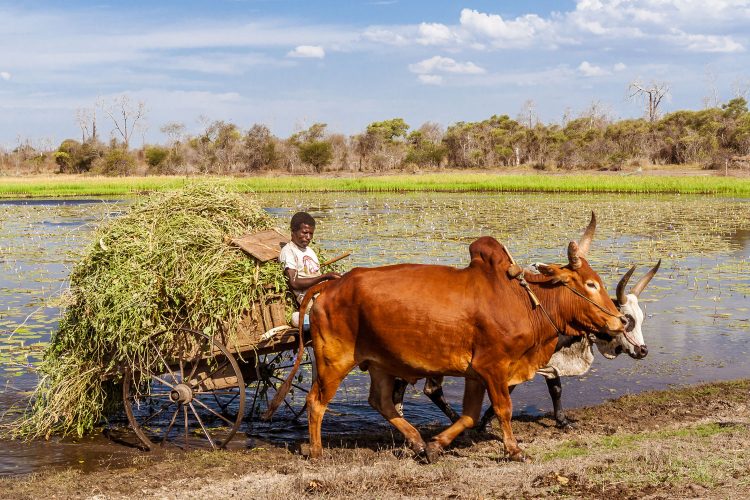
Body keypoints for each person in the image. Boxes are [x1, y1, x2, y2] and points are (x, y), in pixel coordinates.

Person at [279, 211, 340, 329]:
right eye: (305, 233)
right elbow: (294, 282)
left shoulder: (309, 251)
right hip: (310, 301)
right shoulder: (288, 251)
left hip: (323, 294)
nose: (308, 237)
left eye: (311, 234)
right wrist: (325, 277)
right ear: (293, 231)